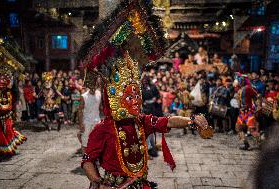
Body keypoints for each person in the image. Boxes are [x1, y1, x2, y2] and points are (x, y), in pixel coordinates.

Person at [77, 1, 213, 188]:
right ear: (115, 98)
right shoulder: (102, 129)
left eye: (136, 95)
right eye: (129, 96)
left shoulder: (142, 121)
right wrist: (98, 182)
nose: (135, 101)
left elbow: (169, 121)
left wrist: (192, 120)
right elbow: (87, 160)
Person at [0, 65, 26, 157]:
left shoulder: (11, 90)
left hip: (7, 115)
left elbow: (15, 98)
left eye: (5, 79)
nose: (2, 81)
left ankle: (8, 149)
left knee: (8, 132)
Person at [78, 77, 101, 154]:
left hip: (97, 122)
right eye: (92, 85)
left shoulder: (99, 94)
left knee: (96, 142)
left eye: (95, 85)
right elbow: (80, 110)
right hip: (87, 122)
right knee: (85, 143)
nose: (93, 87)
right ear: (89, 86)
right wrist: (81, 124)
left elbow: (100, 107)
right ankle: (85, 160)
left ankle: (94, 159)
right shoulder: (84, 96)